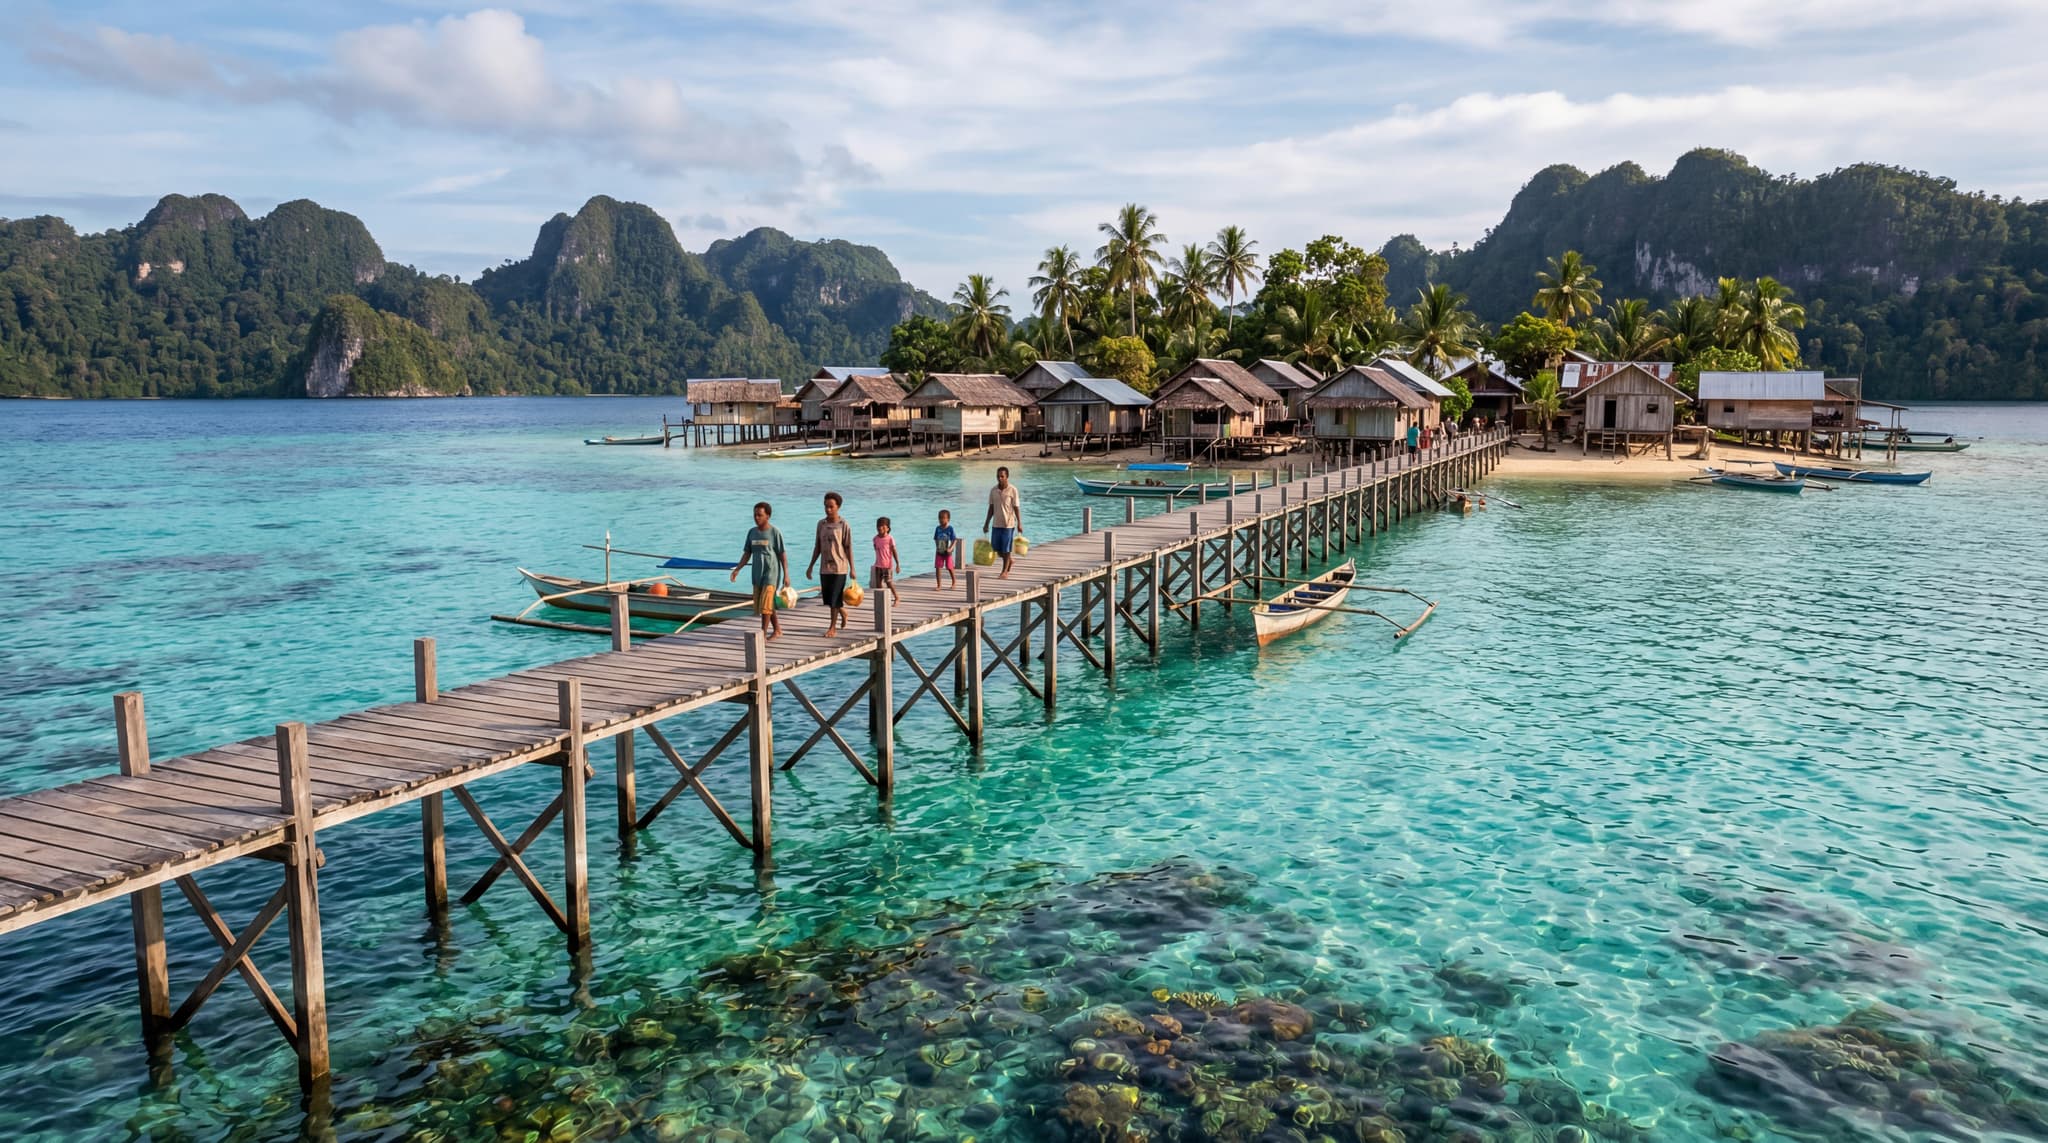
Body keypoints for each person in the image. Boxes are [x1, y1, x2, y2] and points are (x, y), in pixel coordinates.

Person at [729, 500, 788, 642]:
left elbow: (782, 555)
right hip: (757, 572)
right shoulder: (752, 532)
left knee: (766, 604)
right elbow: (747, 553)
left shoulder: (774, 533)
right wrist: (738, 569)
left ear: (768, 516)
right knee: (766, 603)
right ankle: (778, 629)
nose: (757, 518)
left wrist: (786, 574)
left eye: (760, 515)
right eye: (755, 515)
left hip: (771, 572)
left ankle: (762, 634)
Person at [806, 491, 855, 637]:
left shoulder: (843, 525)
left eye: (831, 507)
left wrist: (852, 568)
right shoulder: (821, 524)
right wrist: (811, 566)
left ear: (838, 507)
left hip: (839, 567)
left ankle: (832, 627)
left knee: (835, 597)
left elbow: (848, 547)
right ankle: (843, 612)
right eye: (826, 506)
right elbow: (818, 546)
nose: (828, 509)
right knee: (828, 598)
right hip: (825, 567)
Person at [981, 465, 1023, 579]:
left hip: (1008, 524)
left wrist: (1019, 523)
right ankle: (1010, 560)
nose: (999, 478)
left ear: (1007, 477)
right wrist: (986, 523)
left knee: (1006, 549)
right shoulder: (993, 490)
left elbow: (1016, 508)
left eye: (1002, 476)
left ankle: (1004, 572)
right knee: (996, 549)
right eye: (998, 476)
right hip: (996, 524)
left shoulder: (1013, 490)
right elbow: (991, 508)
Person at [872, 516, 903, 607]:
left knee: (889, 582)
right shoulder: (875, 539)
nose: (879, 528)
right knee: (878, 585)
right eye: (878, 526)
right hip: (878, 565)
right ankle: (882, 602)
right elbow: (876, 549)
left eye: (882, 526)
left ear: (888, 528)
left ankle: (896, 597)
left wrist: (897, 564)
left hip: (887, 565)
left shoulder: (890, 539)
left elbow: (894, 551)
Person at [933, 509, 959, 590]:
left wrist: (951, 548)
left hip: (947, 551)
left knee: (949, 567)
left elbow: (954, 540)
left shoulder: (950, 528)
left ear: (948, 519)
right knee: (938, 567)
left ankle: (954, 581)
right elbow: (935, 538)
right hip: (939, 551)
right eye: (940, 518)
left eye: (943, 518)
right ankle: (939, 585)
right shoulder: (938, 528)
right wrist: (937, 546)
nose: (941, 520)